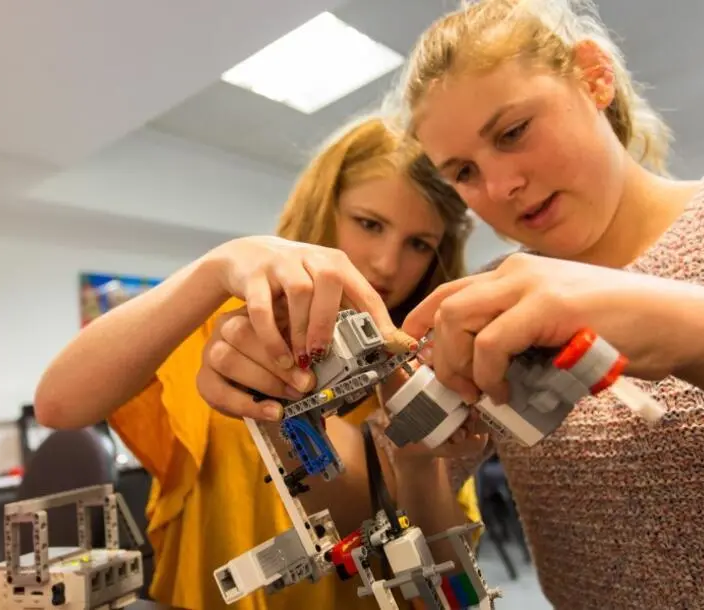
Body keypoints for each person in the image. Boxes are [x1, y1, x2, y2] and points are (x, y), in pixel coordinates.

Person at [34, 117, 482, 610]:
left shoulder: (427, 371)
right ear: (323, 208)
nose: (386, 264)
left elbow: (434, 576)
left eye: (419, 244)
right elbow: (59, 403)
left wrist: (414, 461)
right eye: (369, 223)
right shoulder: (227, 330)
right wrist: (214, 269)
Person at [386, 0, 704, 607]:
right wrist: (416, 462)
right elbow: (438, 577)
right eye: (465, 172)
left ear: (594, 76)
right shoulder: (494, 306)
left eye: (513, 132)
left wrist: (697, 331)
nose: (500, 187)